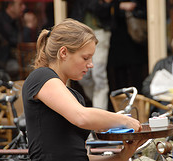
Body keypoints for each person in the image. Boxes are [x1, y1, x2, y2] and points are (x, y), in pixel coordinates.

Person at [22, 18, 144, 161]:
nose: (91, 64)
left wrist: (123, 155)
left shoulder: (75, 96)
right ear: (63, 53)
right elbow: (81, 117)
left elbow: (79, 157)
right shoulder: (41, 76)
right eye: (86, 58)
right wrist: (123, 120)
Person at [0, 0, 26, 80]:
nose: (24, 7)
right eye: (20, 4)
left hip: (10, 60)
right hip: (2, 64)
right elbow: (14, 43)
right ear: (10, 6)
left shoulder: (16, 22)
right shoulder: (0, 22)